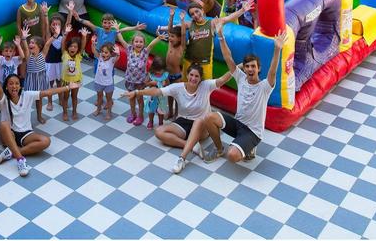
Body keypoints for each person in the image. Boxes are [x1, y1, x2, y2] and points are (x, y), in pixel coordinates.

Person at [178, 23, 286, 169]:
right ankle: (219, 148)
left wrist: (277, 50)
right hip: (238, 124)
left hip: (252, 132)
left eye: (253, 66)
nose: (249, 69)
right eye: (247, 66)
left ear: (259, 69)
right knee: (209, 117)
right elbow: (228, 57)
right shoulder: (241, 78)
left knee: (232, 156)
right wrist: (221, 36)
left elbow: (273, 72)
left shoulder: (265, 87)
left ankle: (249, 148)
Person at [121, 63, 232, 166]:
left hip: (202, 124)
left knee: (198, 121)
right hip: (183, 121)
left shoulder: (206, 86)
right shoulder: (178, 87)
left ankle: (182, 158)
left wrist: (236, 68)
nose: (193, 78)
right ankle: (191, 145)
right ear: (187, 75)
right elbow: (157, 91)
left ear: (200, 78)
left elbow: (223, 80)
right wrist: (136, 92)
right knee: (159, 132)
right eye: (191, 75)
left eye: (196, 76)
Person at [0, 67, 78, 177]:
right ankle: (20, 160)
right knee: (3, 124)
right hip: (8, 134)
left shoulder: (27, 95)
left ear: (20, 86)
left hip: (26, 134)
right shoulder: (3, 99)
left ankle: (12, 152)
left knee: (46, 141)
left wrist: (68, 87)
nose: (14, 86)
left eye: (16, 83)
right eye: (10, 84)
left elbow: (47, 92)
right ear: (6, 86)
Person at [119, 31, 165, 126]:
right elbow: (122, 40)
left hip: (140, 82)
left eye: (141, 42)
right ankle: (133, 113)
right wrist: (118, 31)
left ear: (144, 44)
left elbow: (151, 45)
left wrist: (158, 38)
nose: (138, 43)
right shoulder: (129, 49)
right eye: (136, 41)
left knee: (139, 99)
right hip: (129, 80)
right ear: (132, 42)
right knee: (131, 98)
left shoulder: (145, 51)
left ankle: (140, 116)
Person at [41, 6, 74, 111]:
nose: (56, 26)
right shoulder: (49, 35)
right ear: (51, 25)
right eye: (53, 24)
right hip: (50, 63)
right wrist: (46, 14)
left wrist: (70, 11)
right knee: (50, 83)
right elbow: (46, 25)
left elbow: (68, 23)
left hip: (60, 63)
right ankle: (50, 102)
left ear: (61, 26)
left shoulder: (63, 34)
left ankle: (60, 99)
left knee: (60, 82)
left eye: (58, 24)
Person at [23, 34, 50, 124]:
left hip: (40, 80)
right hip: (31, 81)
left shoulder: (43, 55)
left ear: (39, 46)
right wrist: (23, 38)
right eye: (30, 42)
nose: (30, 44)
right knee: (27, 101)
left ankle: (39, 116)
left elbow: (47, 44)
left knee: (39, 100)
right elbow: (26, 49)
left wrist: (55, 35)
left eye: (32, 43)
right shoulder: (28, 57)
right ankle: (25, 119)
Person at [61, 31, 85, 121]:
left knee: (74, 97)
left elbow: (83, 46)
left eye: (75, 47)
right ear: (68, 47)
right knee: (65, 97)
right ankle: (65, 112)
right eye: (71, 46)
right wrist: (65, 33)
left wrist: (84, 36)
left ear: (78, 49)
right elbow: (63, 43)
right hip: (66, 81)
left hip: (76, 81)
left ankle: (74, 111)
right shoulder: (65, 54)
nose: (73, 48)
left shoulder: (78, 56)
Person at [92, 42, 120, 120]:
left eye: (106, 52)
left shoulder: (112, 60)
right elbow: (94, 51)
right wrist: (93, 45)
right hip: (98, 82)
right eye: (102, 52)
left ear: (111, 53)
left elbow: (117, 57)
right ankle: (98, 109)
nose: (103, 54)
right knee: (99, 97)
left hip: (108, 84)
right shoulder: (100, 57)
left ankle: (109, 112)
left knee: (109, 99)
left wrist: (118, 53)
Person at [146, 56, 170, 129]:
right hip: (152, 97)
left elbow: (168, 85)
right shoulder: (151, 74)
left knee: (161, 111)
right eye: (157, 70)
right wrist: (150, 83)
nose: (159, 72)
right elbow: (146, 83)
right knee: (151, 110)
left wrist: (165, 83)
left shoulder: (165, 75)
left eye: (161, 70)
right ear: (154, 68)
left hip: (161, 97)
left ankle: (160, 122)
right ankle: (150, 121)